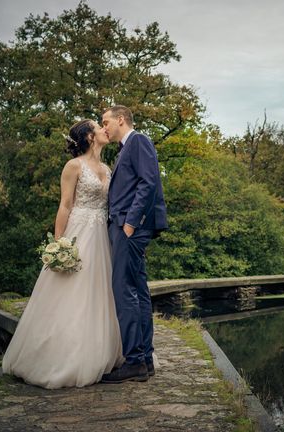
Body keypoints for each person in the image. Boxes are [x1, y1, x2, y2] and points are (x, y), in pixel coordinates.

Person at [2, 119, 124, 389]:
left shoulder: (107, 167)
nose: (105, 129)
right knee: (71, 293)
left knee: (98, 293)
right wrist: (59, 245)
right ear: (90, 137)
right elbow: (65, 205)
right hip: (79, 232)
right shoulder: (73, 166)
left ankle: (99, 352)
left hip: (101, 236)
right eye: (99, 126)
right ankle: (60, 357)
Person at [100, 105, 168, 383]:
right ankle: (145, 360)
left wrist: (130, 222)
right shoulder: (124, 149)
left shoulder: (138, 140)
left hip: (130, 227)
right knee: (137, 290)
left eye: (105, 122)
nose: (103, 127)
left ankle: (135, 360)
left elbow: (148, 182)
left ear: (120, 119)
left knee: (124, 290)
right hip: (128, 227)